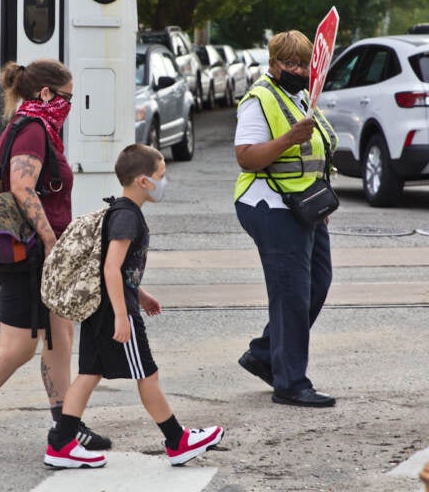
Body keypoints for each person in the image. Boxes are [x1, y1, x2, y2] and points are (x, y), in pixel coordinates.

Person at [0, 59, 110, 459]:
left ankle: (67, 426)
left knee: (59, 337)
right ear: (45, 94)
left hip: (41, 252)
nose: (69, 105)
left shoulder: (32, 125)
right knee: (18, 346)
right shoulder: (31, 130)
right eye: (67, 97)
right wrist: (50, 241)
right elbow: (23, 188)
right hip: (32, 254)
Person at [44, 144, 224, 468]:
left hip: (101, 309)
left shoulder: (121, 211)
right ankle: (177, 440)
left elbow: (120, 269)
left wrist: (141, 295)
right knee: (148, 375)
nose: (164, 182)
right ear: (143, 181)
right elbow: (111, 267)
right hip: (113, 312)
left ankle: (60, 443)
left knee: (88, 374)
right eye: (161, 175)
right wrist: (122, 315)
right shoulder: (127, 216)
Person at [232, 30, 339, 407]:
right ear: (273, 63)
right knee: (291, 295)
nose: (296, 69)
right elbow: (246, 157)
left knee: (317, 284)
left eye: (302, 63)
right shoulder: (259, 99)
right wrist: (288, 139)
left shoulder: (301, 95)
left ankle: (264, 354)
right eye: (288, 63)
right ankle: (291, 383)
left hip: (303, 206)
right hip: (269, 206)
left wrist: (319, 205)